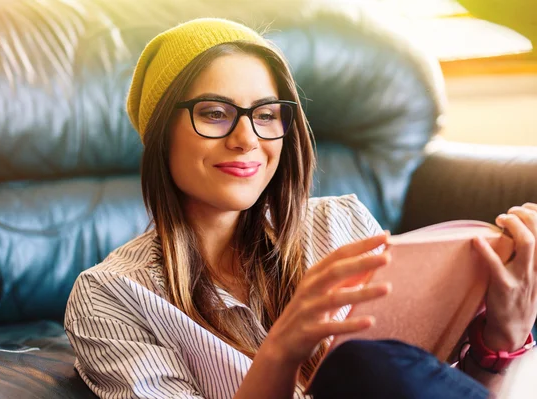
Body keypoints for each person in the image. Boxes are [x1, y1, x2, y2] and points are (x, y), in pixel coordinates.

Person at [64, 18, 537, 399]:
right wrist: (282, 350)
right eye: (214, 113)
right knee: (360, 364)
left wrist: (501, 339)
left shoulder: (341, 222)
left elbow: (434, 382)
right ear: (161, 132)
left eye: (267, 114)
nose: (247, 138)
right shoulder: (110, 296)